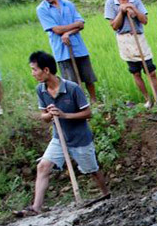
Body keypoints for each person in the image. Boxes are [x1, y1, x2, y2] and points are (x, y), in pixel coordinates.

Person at [15, 51, 109, 217]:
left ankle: (105, 194)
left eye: (34, 70)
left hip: (79, 139)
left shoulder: (72, 89)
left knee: (92, 170)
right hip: (59, 138)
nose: (33, 74)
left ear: (46, 70)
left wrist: (65, 115)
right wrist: (49, 115)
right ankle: (36, 207)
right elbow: (43, 117)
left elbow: (88, 113)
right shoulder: (41, 90)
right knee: (43, 166)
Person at [35, 0, 97, 102]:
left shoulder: (68, 4)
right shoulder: (41, 9)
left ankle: (94, 102)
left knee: (88, 78)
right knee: (71, 83)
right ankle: (80, 104)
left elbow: (81, 24)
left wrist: (68, 33)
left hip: (78, 47)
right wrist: (74, 26)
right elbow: (56, 30)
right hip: (62, 51)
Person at [104, 0, 157, 107]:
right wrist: (122, 12)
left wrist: (133, 8)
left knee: (150, 71)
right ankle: (148, 99)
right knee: (135, 72)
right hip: (124, 40)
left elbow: (144, 20)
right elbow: (114, 26)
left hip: (138, 37)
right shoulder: (111, 3)